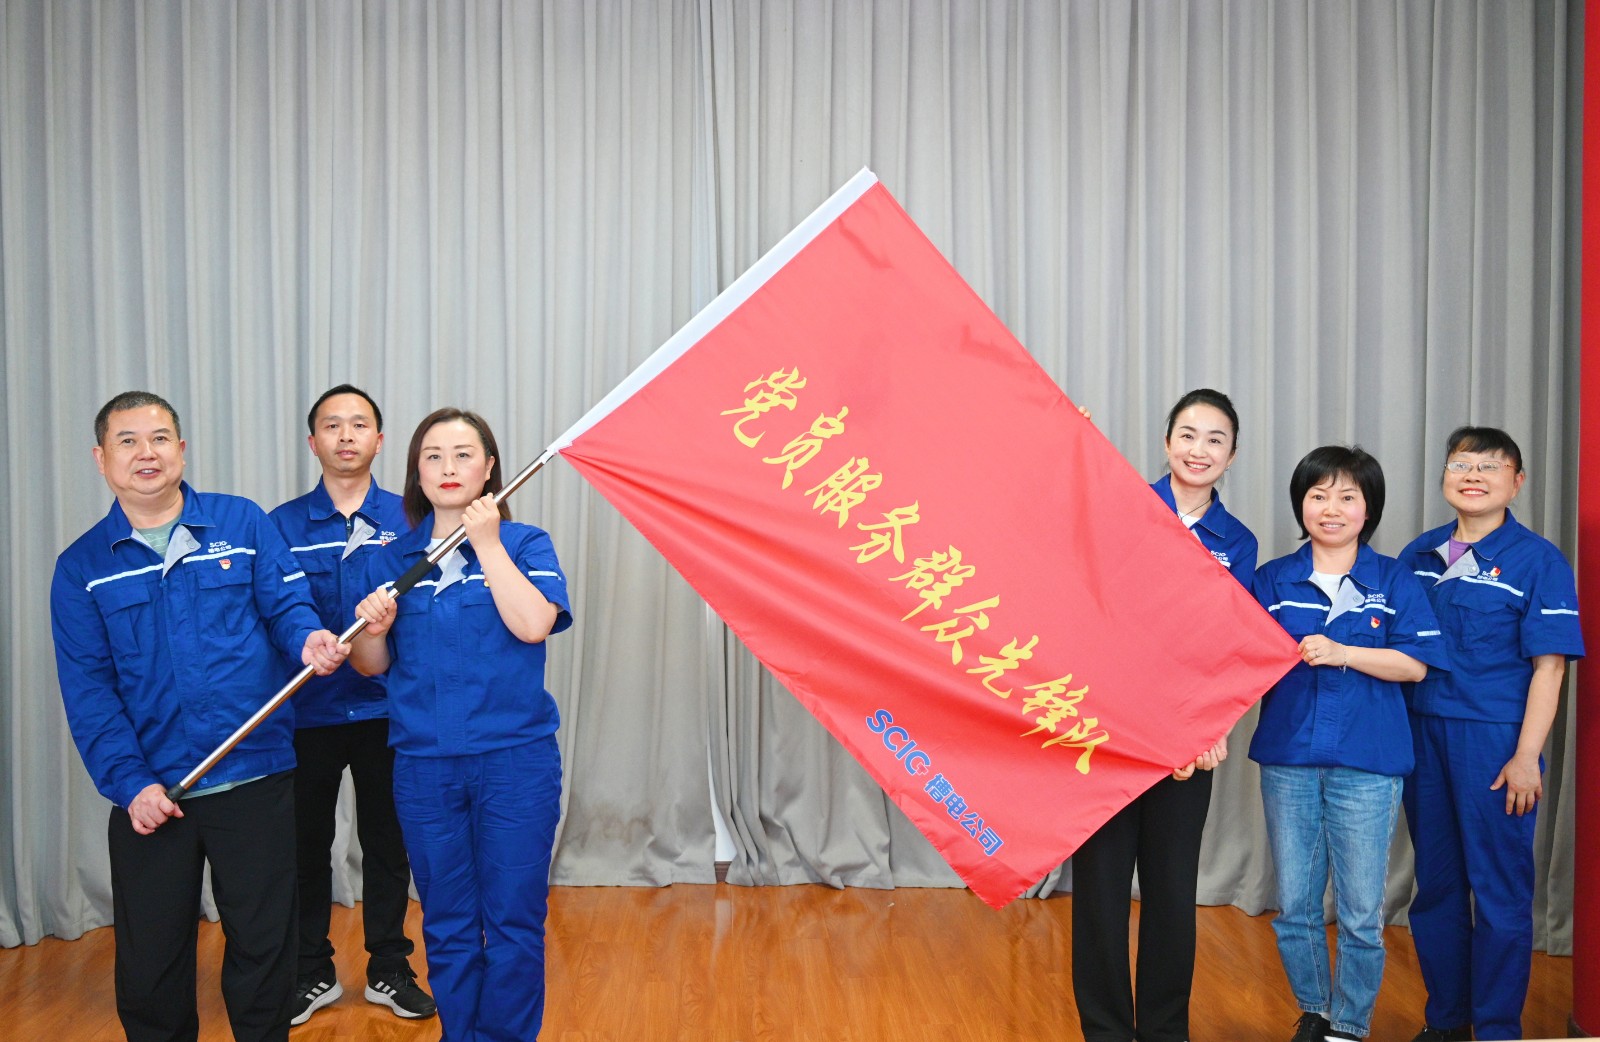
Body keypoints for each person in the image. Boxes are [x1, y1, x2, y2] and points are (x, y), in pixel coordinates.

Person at [49, 391, 350, 1042]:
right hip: (156, 794)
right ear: (101, 459)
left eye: (159, 438)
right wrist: (131, 784)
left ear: (181, 451)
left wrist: (308, 640)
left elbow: (287, 608)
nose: (146, 453)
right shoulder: (81, 569)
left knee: (265, 953)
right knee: (151, 968)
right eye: (127, 441)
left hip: (256, 777)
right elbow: (90, 693)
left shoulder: (241, 524)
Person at [351, 408, 571, 1042]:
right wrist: (375, 630)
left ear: (489, 467)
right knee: (446, 920)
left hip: (515, 762)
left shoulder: (524, 543)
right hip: (424, 765)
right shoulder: (389, 560)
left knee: (513, 919)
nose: (448, 468)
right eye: (434, 457)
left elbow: (533, 624)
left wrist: (488, 543)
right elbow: (370, 665)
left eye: (464, 455)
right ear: (417, 472)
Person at [1070, 389, 1255, 1042]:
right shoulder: (1121, 504)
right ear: (1167, 442)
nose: (1198, 450)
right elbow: (1062, 550)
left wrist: (1214, 728)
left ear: (1231, 456)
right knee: (1100, 892)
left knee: (1172, 892)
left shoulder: (1239, 541)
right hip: (1107, 730)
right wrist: (1067, 447)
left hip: (1186, 739)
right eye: (1188, 435)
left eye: (1215, 440)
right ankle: (1105, 1031)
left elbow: (1233, 645)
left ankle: (1164, 1031)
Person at [1249, 445, 1449, 1042]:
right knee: (1296, 905)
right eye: (1318, 495)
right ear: (1301, 505)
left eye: (1347, 497)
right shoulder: (1272, 580)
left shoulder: (1394, 579)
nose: (1331, 508)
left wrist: (1343, 652)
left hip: (1369, 761)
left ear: (1368, 509)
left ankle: (1350, 1025)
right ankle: (1314, 1010)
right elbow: (1239, 659)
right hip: (1288, 758)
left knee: (1362, 911)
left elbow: (1415, 664)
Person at [1398, 427, 1583, 1042]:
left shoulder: (1539, 561)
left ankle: (1499, 1028)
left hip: (1495, 742)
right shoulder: (1418, 555)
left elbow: (1550, 668)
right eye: (1461, 464)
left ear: (1516, 482)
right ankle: (1447, 1022)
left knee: (1500, 890)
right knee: (1437, 887)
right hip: (1422, 736)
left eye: (1490, 466)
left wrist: (1527, 755)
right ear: (1445, 477)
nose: (1472, 475)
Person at [267, 385, 435, 1024]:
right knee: (304, 845)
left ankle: (390, 967)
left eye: (359, 424)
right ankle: (311, 971)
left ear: (380, 440)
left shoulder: (413, 519)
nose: (345, 436)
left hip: (389, 711)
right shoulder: (278, 526)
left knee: (389, 843)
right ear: (312, 442)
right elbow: (271, 614)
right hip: (304, 715)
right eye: (332, 425)